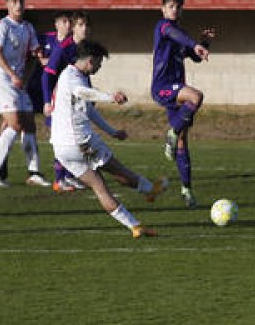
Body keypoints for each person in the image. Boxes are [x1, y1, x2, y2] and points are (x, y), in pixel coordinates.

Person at [49, 40, 169, 237]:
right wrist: (110, 97)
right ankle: (149, 189)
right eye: (98, 64)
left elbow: (88, 109)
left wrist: (112, 131)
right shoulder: (73, 78)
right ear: (90, 60)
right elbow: (83, 93)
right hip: (80, 142)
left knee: (99, 187)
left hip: (61, 149)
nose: (98, 67)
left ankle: (135, 227)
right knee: (117, 170)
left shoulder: (70, 75)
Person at [151, 0, 215, 208]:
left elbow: (196, 57)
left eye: (178, 7)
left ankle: (186, 190)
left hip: (176, 93)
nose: (174, 10)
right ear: (163, 9)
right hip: (163, 87)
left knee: (182, 142)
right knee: (196, 96)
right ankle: (171, 132)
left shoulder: (181, 34)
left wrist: (204, 42)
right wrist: (193, 43)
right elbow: (174, 34)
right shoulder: (162, 27)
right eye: (170, 6)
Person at [0, 0, 50, 188]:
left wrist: (44, 61)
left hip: (18, 82)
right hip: (1, 80)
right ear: (7, 4)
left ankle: (34, 173)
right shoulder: (1, 26)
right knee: (15, 123)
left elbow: (36, 51)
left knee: (29, 124)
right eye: (13, 1)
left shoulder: (28, 28)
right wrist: (12, 74)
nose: (18, 5)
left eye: (20, 1)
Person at [41, 10, 90, 192]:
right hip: (59, 102)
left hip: (76, 102)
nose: (84, 29)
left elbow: (85, 74)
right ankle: (59, 180)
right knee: (62, 140)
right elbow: (47, 76)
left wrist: (90, 96)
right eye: (80, 25)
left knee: (76, 138)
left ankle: (69, 176)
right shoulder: (63, 48)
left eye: (86, 25)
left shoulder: (85, 49)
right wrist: (47, 101)